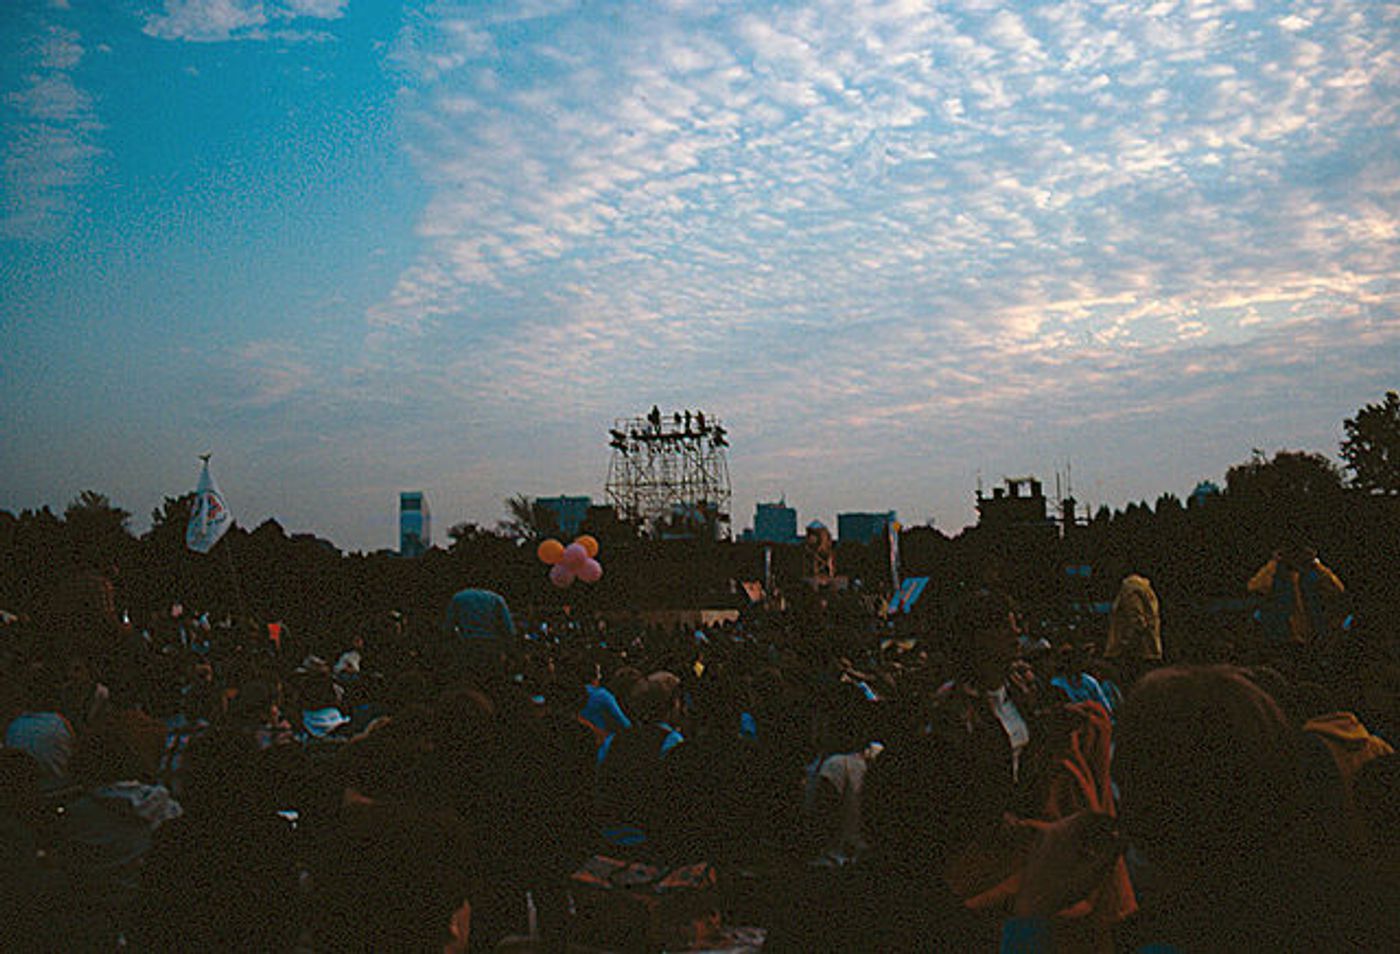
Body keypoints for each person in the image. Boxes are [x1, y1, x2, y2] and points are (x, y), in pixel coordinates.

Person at [1248, 543, 1344, 646]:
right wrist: (1274, 563)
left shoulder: (1314, 573)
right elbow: (1254, 586)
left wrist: (1317, 565)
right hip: (1283, 633)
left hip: (1311, 632)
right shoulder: (1277, 572)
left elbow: (1337, 588)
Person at [1104, 572, 1161, 687]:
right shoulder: (1146, 589)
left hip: (1132, 654)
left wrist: (1124, 645)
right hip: (1147, 650)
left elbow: (1136, 622)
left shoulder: (1130, 589)